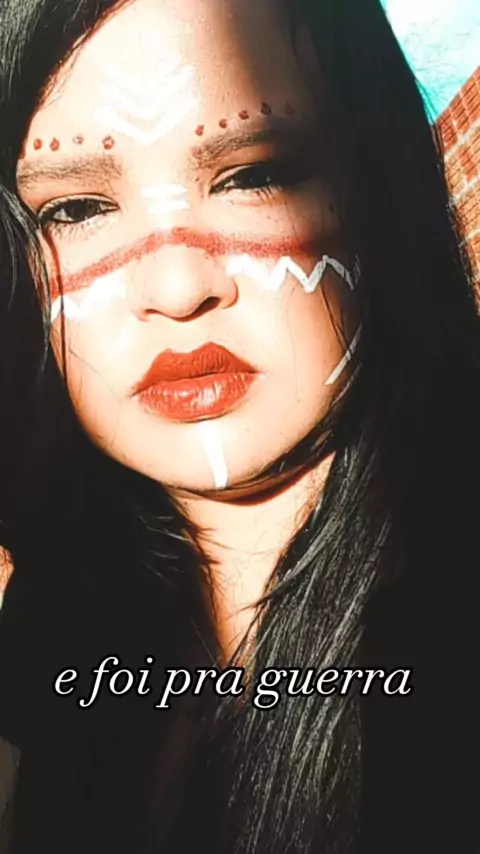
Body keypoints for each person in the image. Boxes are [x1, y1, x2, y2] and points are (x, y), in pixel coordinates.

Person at [0, 0, 479, 852]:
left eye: (255, 174)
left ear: (382, 187)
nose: (178, 288)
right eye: (74, 209)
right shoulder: (48, 637)